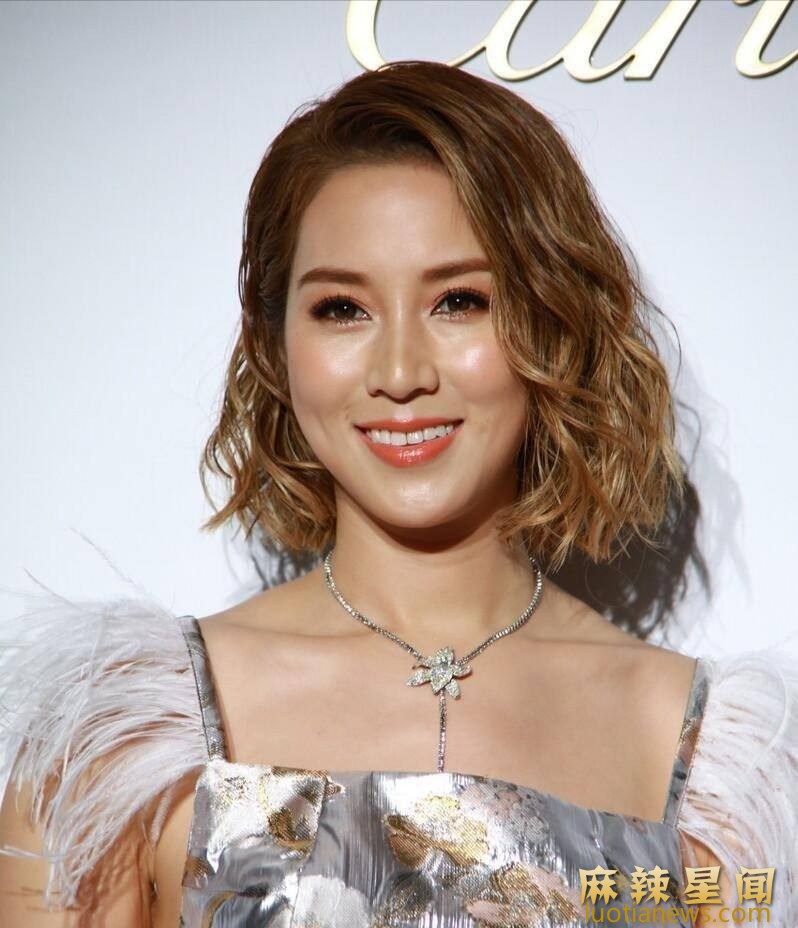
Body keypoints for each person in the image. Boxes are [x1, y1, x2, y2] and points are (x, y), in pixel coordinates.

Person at [0, 60, 796, 928]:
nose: (401, 372)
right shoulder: (123, 744)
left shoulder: (702, 756)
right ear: (275, 344)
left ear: (553, 322)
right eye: (343, 309)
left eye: (459, 301)